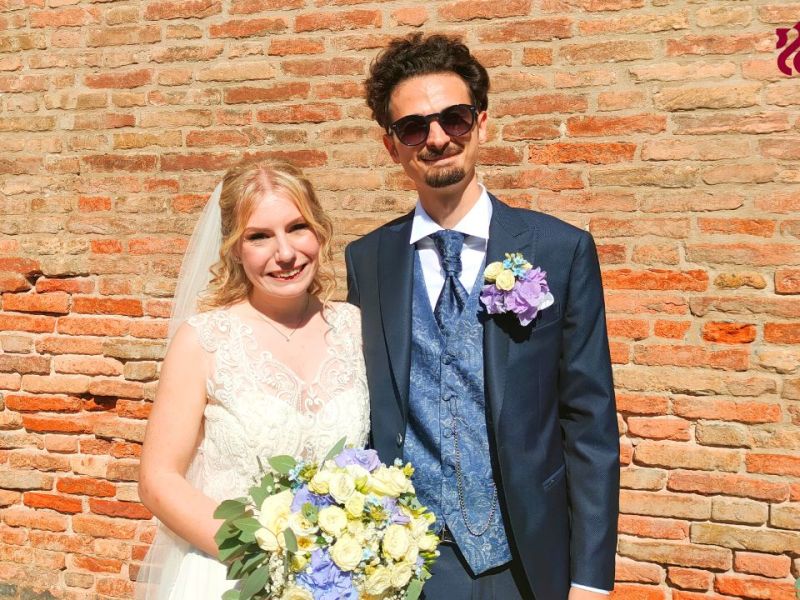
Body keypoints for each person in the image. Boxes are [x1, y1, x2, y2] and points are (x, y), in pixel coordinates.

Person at [345, 34, 619, 600]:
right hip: (407, 564)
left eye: (455, 118)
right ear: (391, 146)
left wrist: (590, 578)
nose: (438, 138)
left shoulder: (559, 250)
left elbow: (589, 421)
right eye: (415, 127)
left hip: (525, 558)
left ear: (482, 124)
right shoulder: (366, 260)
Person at [135, 160, 369, 599]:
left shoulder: (356, 328)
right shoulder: (204, 340)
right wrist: (270, 556)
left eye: (297, 227)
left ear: (319, 231)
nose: (285, 253)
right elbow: (158, 479)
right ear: (234, 249)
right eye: (259, 236)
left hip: (340, 580)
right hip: (231, 575)